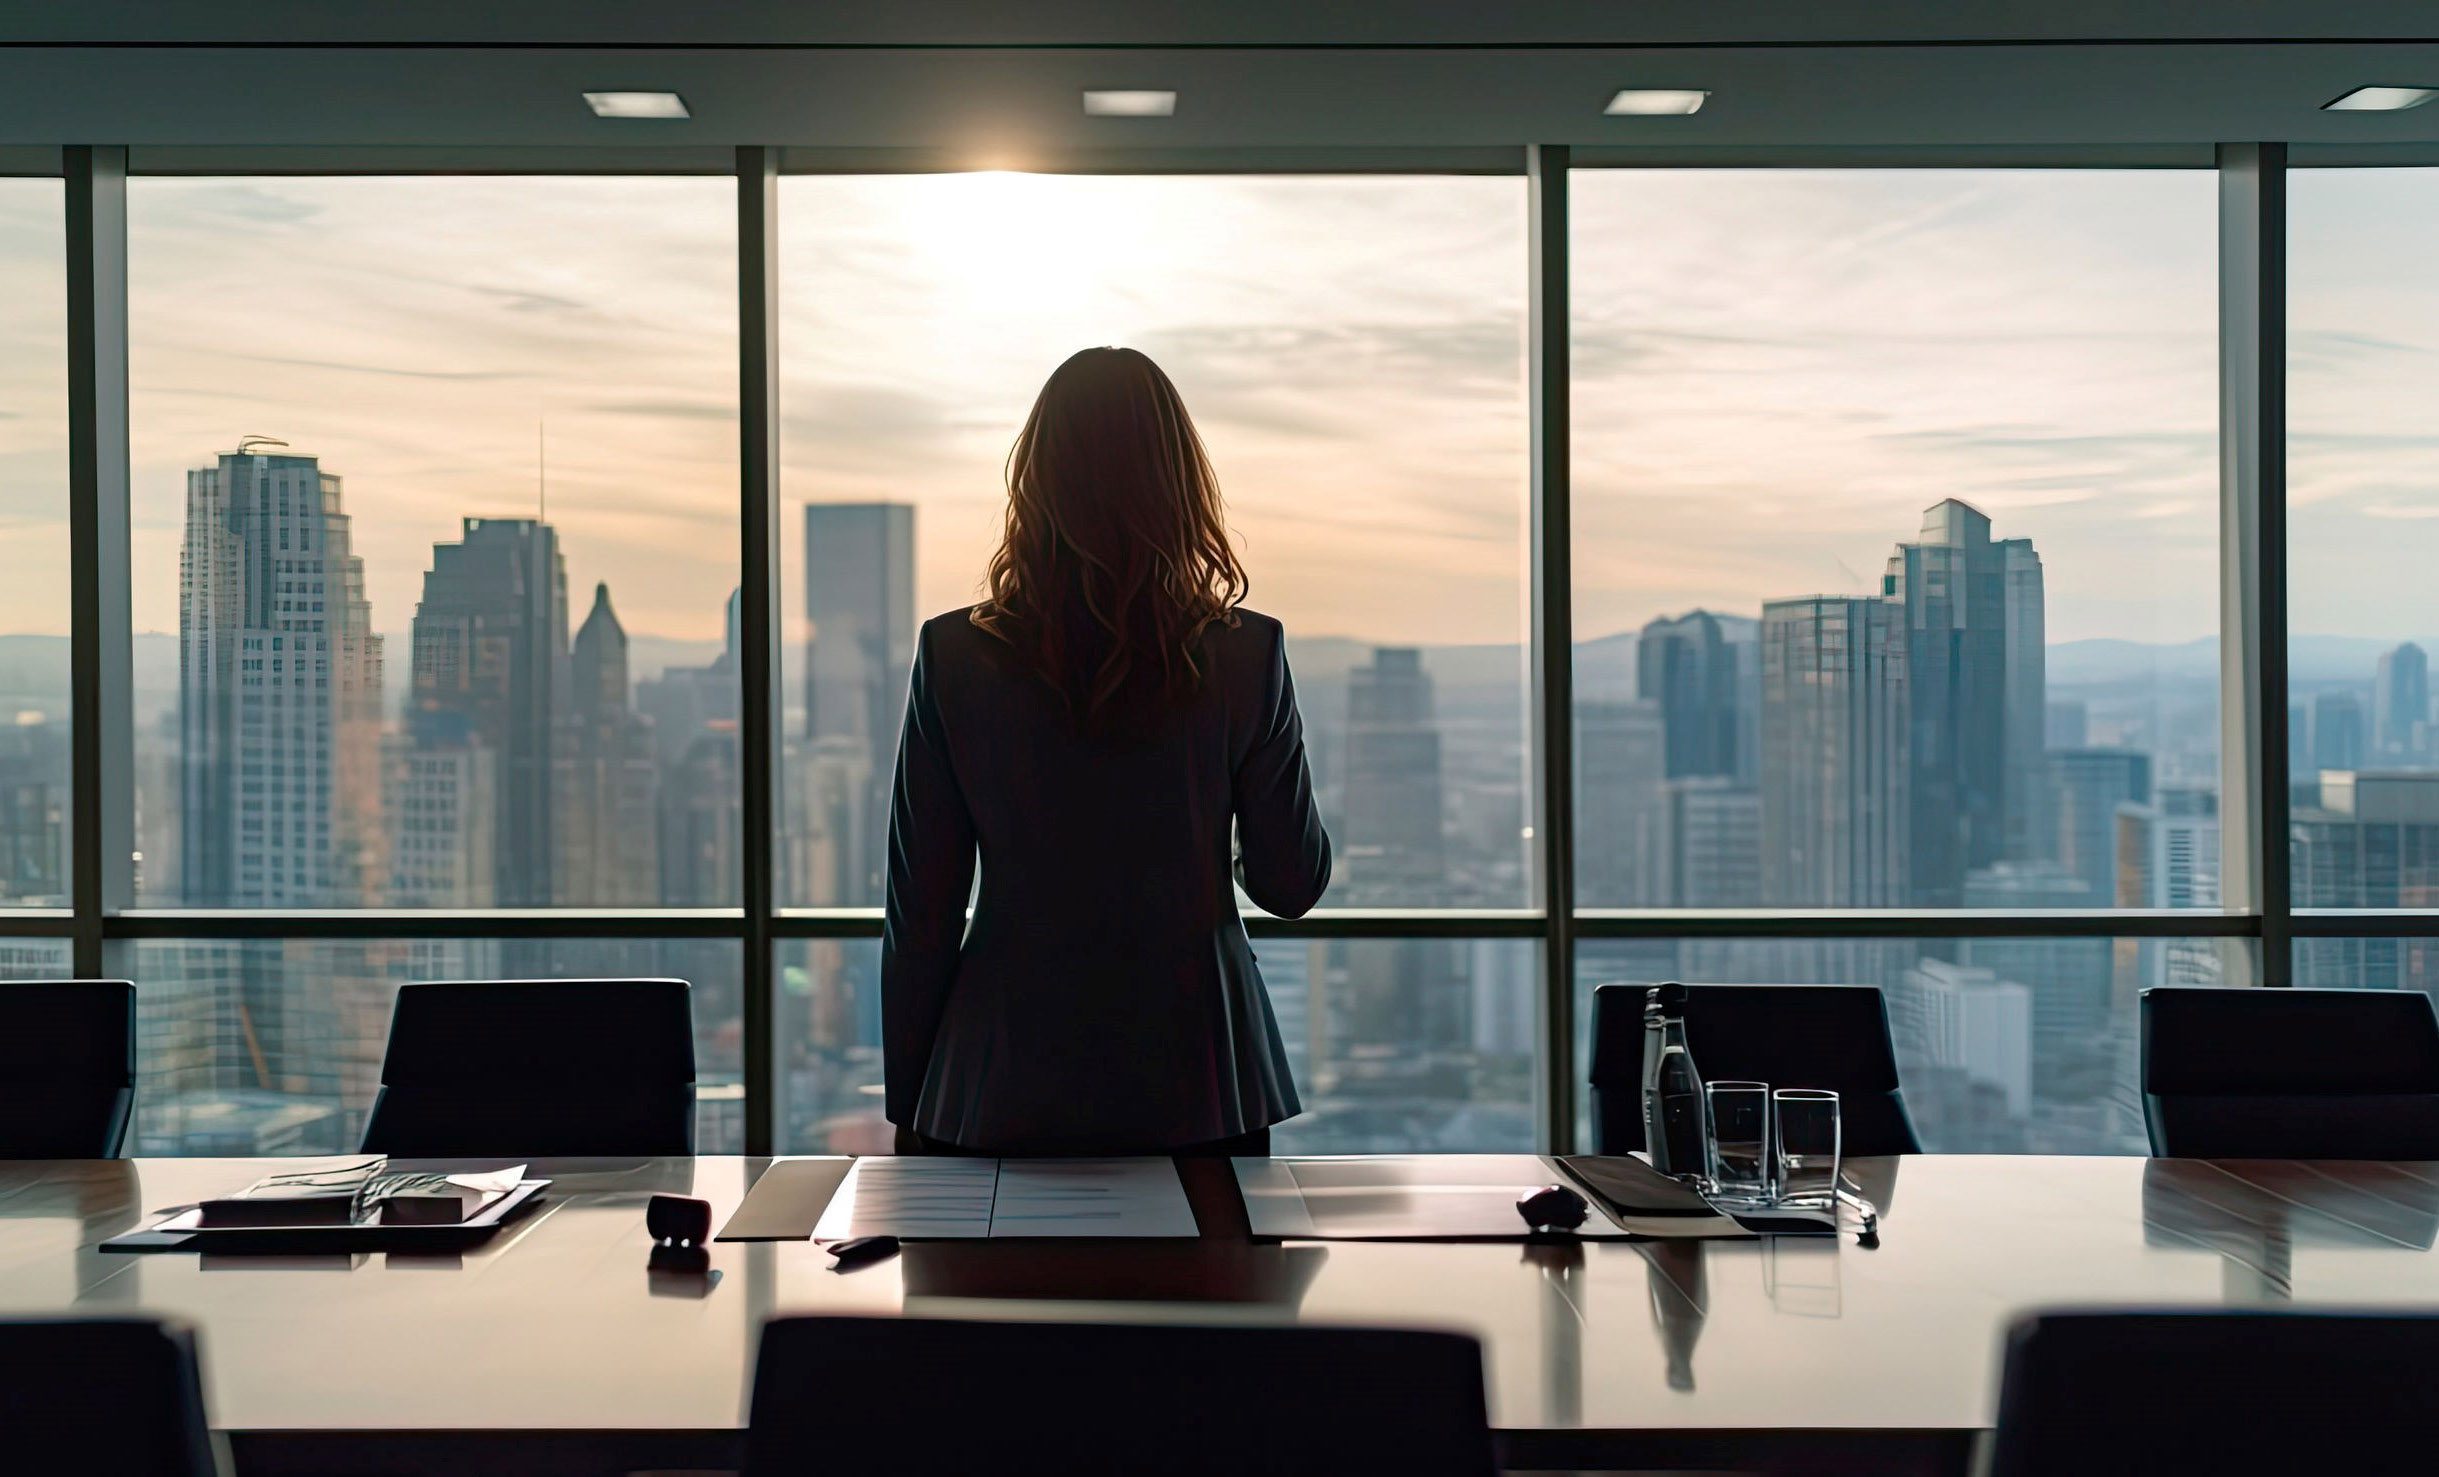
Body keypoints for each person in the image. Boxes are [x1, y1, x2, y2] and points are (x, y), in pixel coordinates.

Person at [882, 346, 1331, 1156]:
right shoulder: (1245, 654)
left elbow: (921, 914)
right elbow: (1291, 884)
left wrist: (914, 1109)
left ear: (1035, 483)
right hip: (1203, 1081)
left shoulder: (954, 655)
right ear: (1180, 485)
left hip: (999, 1079)